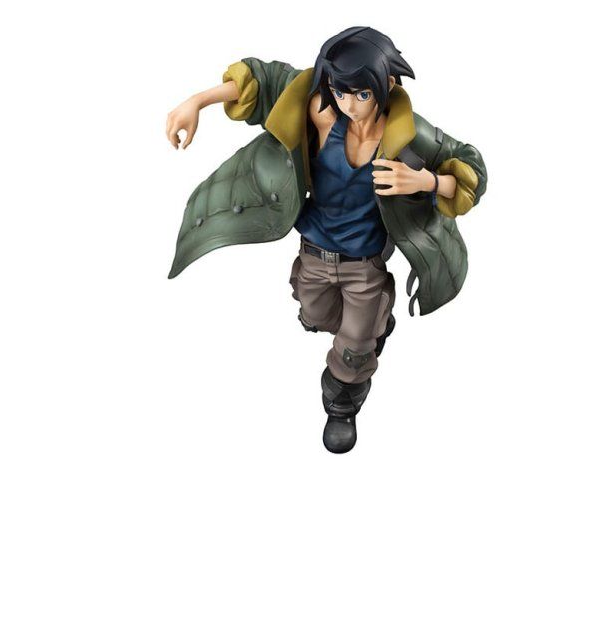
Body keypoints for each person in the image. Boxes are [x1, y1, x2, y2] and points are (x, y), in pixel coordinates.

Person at [165, 27, 487, 453]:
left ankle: (342, 402)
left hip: (364, 262)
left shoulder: (409, 136)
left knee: (354, 347)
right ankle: (374, 322)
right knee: (315, 316)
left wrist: (426, 180)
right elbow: (264, 80)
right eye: (340, 91)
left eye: (362, 94)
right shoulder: (321, 112)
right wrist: (197, 101)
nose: (349, 105)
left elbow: (472, 169)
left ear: (387, 85)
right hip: (314, 250)